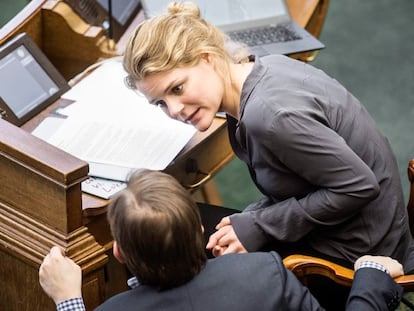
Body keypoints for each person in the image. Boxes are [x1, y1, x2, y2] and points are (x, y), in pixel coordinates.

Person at [122, 1, 414, 273]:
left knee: (163, 243)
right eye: (160, 102)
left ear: (207, 59)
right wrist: (253, 219)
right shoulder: (263, 67)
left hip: (357, 252)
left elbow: (359, 187)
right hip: (357, 227)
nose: (173, 110)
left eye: (177, 89)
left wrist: (260, 225)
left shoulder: (271, 117)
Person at [39, 169, 404, 311]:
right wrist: (371, 273)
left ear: (118, 252)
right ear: (199, 230)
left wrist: (68, 300)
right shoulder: (265, 274)